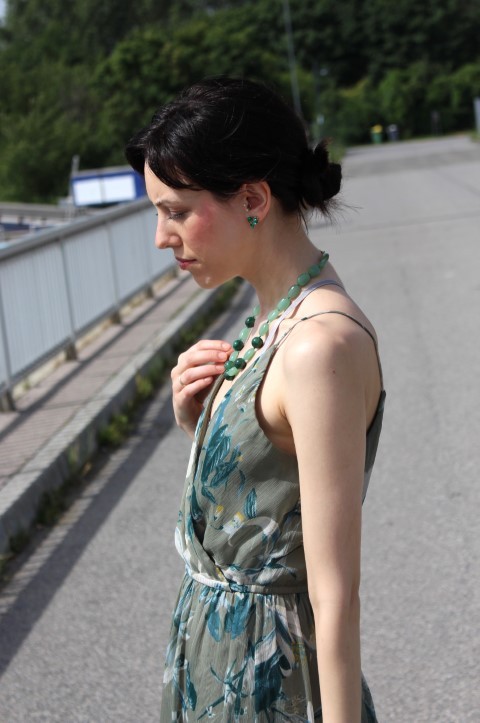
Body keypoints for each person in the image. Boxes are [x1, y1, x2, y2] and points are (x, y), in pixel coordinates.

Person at [126, 76, 385, 722]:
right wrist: (202, 423)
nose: (161, 237)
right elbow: (272, 501)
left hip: (270, 687)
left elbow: (334, 593)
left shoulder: (317, 347)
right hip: (221, 671)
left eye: (176, 211)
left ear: (252, 198)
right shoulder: (277, 315)